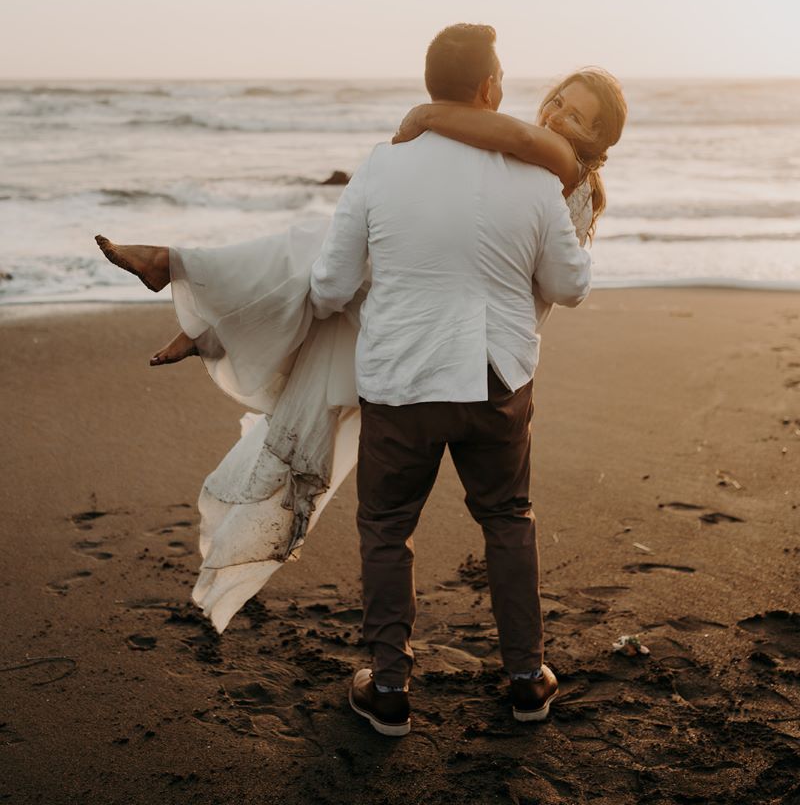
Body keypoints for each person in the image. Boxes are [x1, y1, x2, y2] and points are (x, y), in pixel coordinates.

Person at [94, 47, 626, 672]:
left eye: (580, 118)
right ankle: (526, 674)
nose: (561, 116)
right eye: (560, 100)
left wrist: (425, 117)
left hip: (417, 363)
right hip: (494, 370)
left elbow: (503, 150)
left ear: (599, 144)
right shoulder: (525, 164)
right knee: (506, 518)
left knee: (387, 521)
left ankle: (391, 683)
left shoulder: (547, 165)